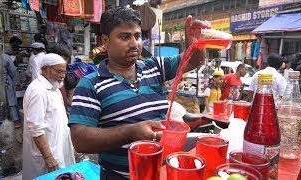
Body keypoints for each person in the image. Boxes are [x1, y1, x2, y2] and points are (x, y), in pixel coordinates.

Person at [69, 7, 209, 179]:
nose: (134, 43)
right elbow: (80, 140)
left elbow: (193, 60)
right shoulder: (91, 84)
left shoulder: (155, 67)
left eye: (137, 36)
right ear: (105, 41)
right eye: (125, 36)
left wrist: (196, 42)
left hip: (160, 172)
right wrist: (130, 132)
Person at [22, 53, 75, 180]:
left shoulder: (54, 87)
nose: (63, 76)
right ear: (45, 69)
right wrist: (48, 157)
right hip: (48, 152)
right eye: (59, 72)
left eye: (64, 72)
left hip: (57, 145)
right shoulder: (38, 91)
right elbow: (36, 127)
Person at [1, 53, 22, 134]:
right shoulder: (5, 57)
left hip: (3, 83)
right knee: (10, 101)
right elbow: (12, 71)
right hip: (6, 84)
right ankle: (15, 120)